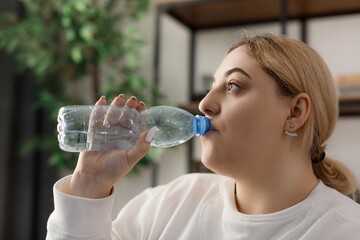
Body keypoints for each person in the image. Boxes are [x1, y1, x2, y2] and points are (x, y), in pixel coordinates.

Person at [46, 32, 360, 240]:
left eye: (234, 86)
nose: (205, 104)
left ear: (294, 113)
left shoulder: (344, 230)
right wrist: (89, 184)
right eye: (212, 86)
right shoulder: (173, 203)